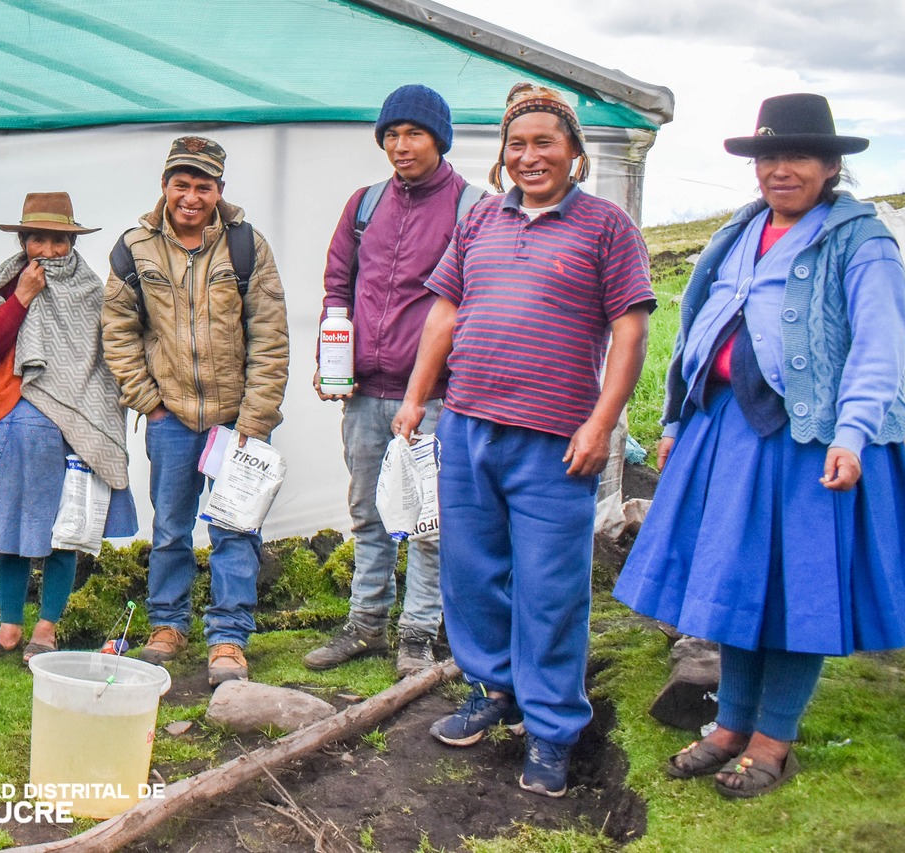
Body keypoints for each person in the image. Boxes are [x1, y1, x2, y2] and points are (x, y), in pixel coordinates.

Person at [617, 94, 905, 799]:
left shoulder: (862, 240)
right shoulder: (741, 233)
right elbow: (698, 330)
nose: (780, 169)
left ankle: (773, 740)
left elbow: (878, 346)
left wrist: (853, 432)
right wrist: (676, 421)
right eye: (768, 156)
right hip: (728, 431)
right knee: (737, 584)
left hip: (813, 441)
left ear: (832, 165)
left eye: (797, 155)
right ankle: (730, 725)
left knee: (800, 593)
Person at [393, 83, 653, 799]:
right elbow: (445, 311)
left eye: (545, 142)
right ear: (503, 158)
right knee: (471, 574)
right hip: (469, 423)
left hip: (555, 438)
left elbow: (631, 328)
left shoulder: (606, 226)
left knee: (549, 589)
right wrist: (417, 397)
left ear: (574, 153)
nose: (530, 155)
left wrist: (602, 422)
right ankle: (496, 690)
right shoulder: (480, 219)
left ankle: (552, 727)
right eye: (518, 144)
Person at [306, 84, 481, 677]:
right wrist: (332, 357)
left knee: (428, 520)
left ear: (439, 139)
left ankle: (417, 633)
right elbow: (338, 285)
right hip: (363, 394)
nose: (400, 146)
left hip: (434, 398)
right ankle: (365, 625)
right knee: (367, 512)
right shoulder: (365, 204)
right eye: (391, 135)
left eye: (414, 134)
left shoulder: (471, 209)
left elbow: (473, 304)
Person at [103, 135, 290, 686]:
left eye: (202, 186)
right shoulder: (134, 248)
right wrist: (150, 404)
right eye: (180, 184)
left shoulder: (245, 246)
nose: (190, 196)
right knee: (170, 529)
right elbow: (118, 332)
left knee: (236, 528)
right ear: (164, 186)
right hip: (172, 420)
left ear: (219, 191)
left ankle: (228, 638)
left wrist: (256, 421)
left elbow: (270, 336)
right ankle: (167, 625)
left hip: (238, 420)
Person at [0, 193, 137, 663]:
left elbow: (100, 364)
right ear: (23, 240)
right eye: (39, 239)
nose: (49, 250)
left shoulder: (92, 291)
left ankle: (47, 629)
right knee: (6, 527)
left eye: (59, 241)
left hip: (65, 427)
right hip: (3, 419)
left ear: (71, 243)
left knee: (63, 529)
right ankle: (10, 627)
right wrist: (21, 298)